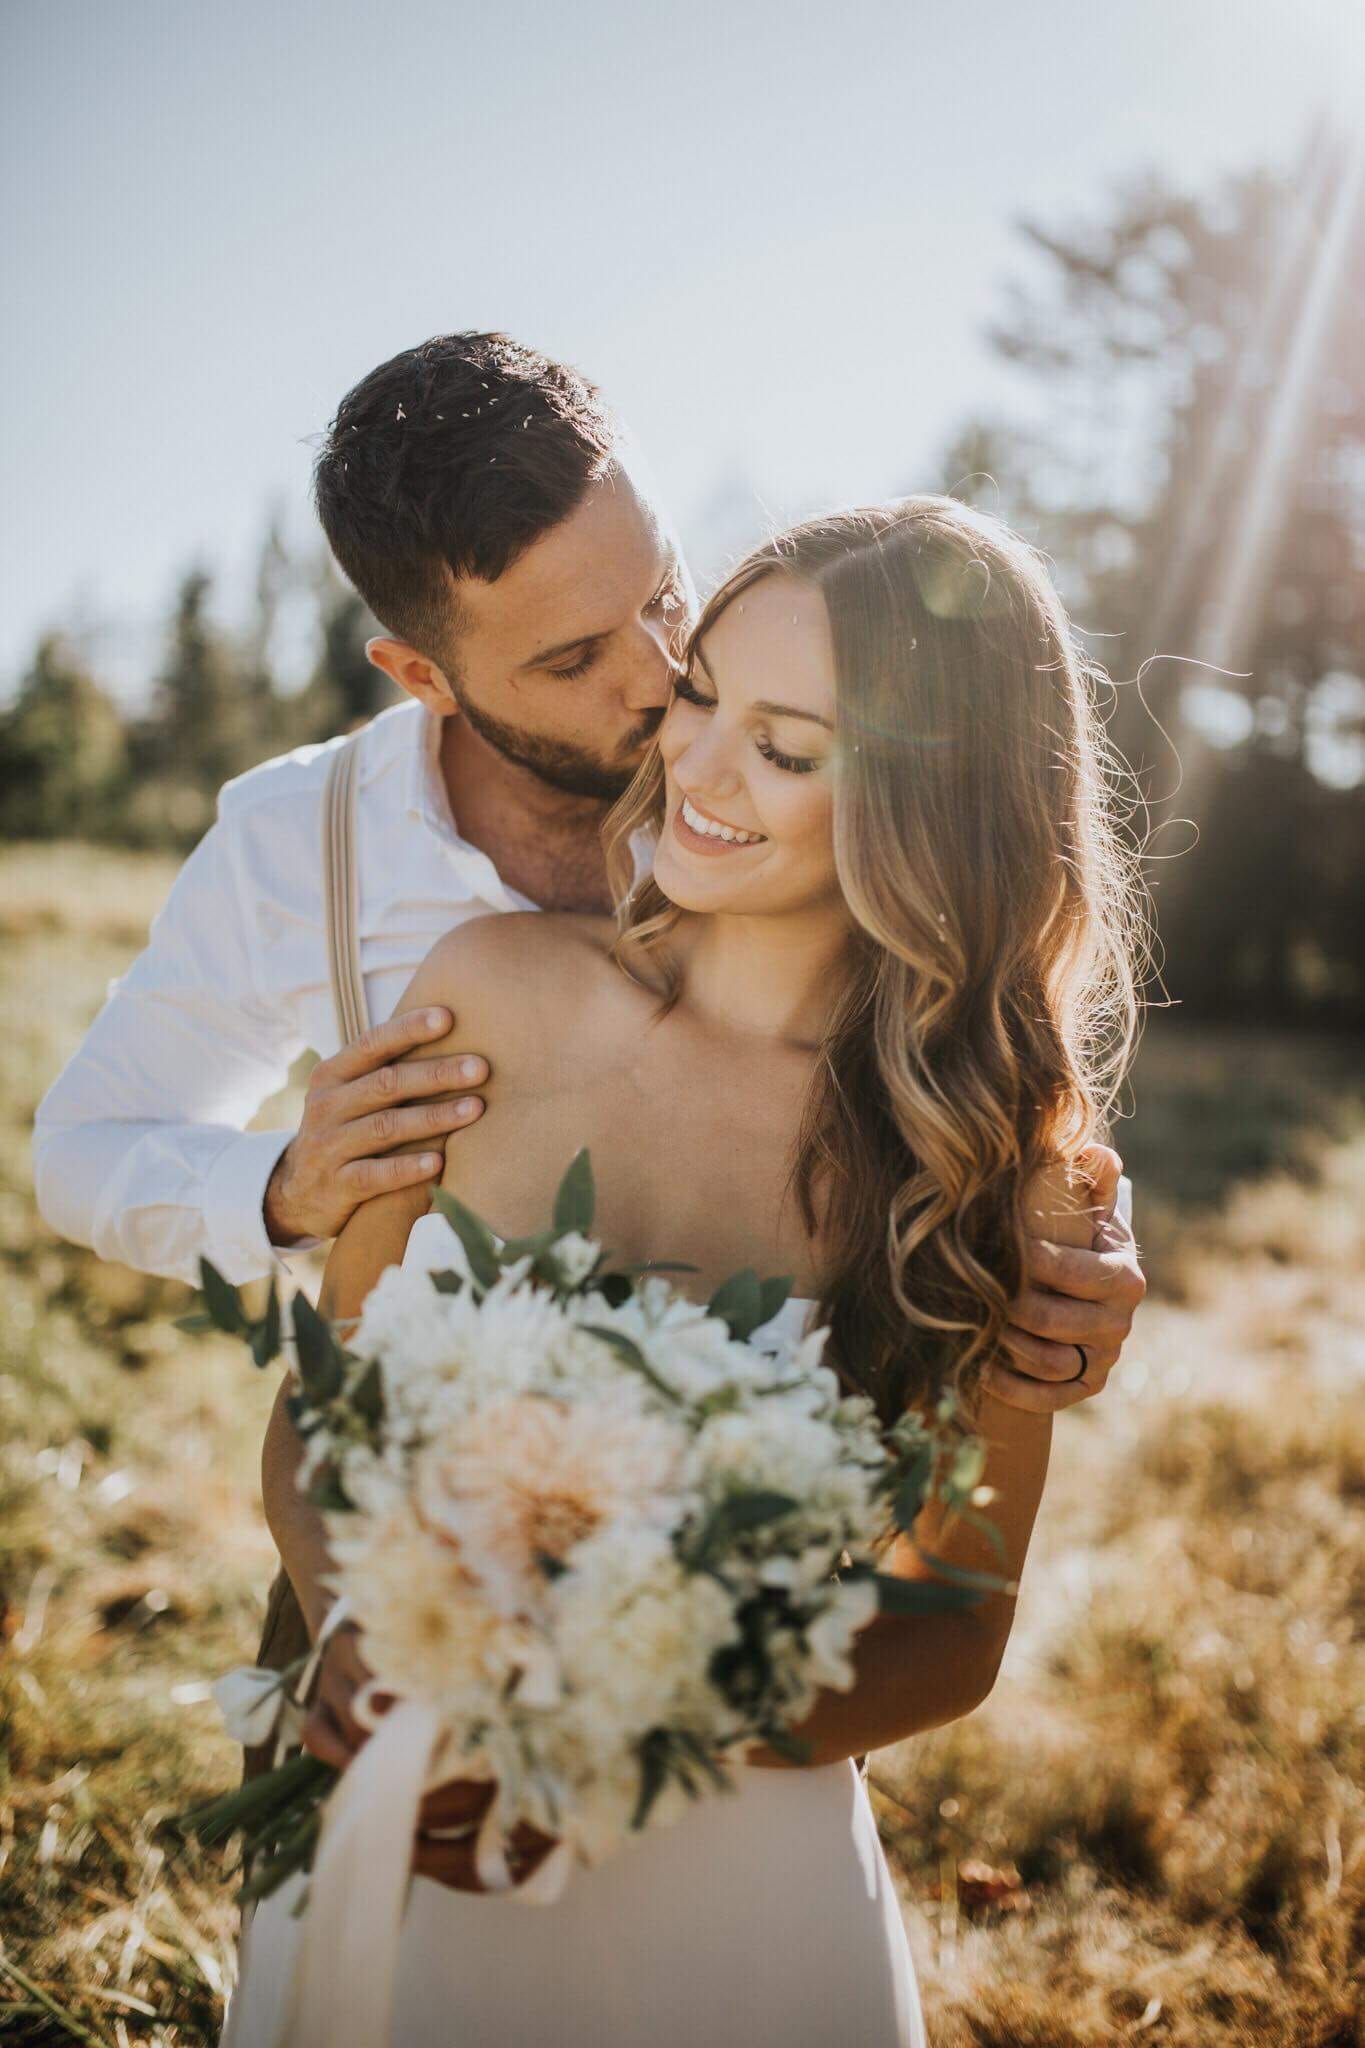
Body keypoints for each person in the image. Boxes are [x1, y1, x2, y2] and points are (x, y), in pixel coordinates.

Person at [31, 332, 1147, 1743]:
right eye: (571, 657)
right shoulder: (298, 854)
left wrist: (1056, 1247)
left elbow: (946, 920)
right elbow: (87, 1152)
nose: (658, 678)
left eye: (665, 596)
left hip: (734, 1737)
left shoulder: (763, 709)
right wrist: (281, 1190)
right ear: (419, 673)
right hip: (374, 1617)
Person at [222, 494, 1146, 2048]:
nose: (697, 767)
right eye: (702, 691)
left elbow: (954, 1621)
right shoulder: (484, 996)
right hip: (395, 1808)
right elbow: (322, 1424)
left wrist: (599, 1729)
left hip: (729, 1899)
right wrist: (369, 1645)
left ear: (939, 811)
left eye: (786, 749)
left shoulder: (992, 1168)